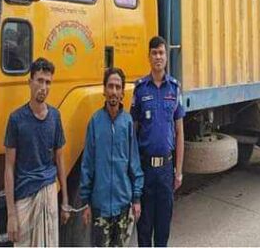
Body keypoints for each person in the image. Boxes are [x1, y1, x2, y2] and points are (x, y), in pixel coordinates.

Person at [4, 57, 70, 247]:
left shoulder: (55, 116)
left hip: (48, 193)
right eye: (39, 81)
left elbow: (60, 160)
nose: (44, 87)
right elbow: (9, 168)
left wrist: (65, 201)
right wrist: (11, 215)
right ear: (30, 82)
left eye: (48, 82)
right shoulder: (16, 119)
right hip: (24, 197)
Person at [79, 67, 144, 247]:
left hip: (123, 205)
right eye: (110, 86)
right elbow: (87, 164)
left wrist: (136, 198)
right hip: (100, 207)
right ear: (104, 90)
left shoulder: (128, 123)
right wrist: (85, 202)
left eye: (117, 87)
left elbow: (134, 163)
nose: (114, 91)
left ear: (122, 93)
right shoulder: (95, 122)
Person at [131, 36, 185, 247]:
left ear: (166, 56)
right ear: (149, 57)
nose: (158, 57)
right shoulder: (140, 89)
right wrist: (134, 171)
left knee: (163, 230)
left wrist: (178, 171)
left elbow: (179, 133)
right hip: (145, 169)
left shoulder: (174, 88)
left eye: (161, 52)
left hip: (165, 170)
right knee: (144, 229)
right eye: (154, 53)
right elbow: (133, 133)